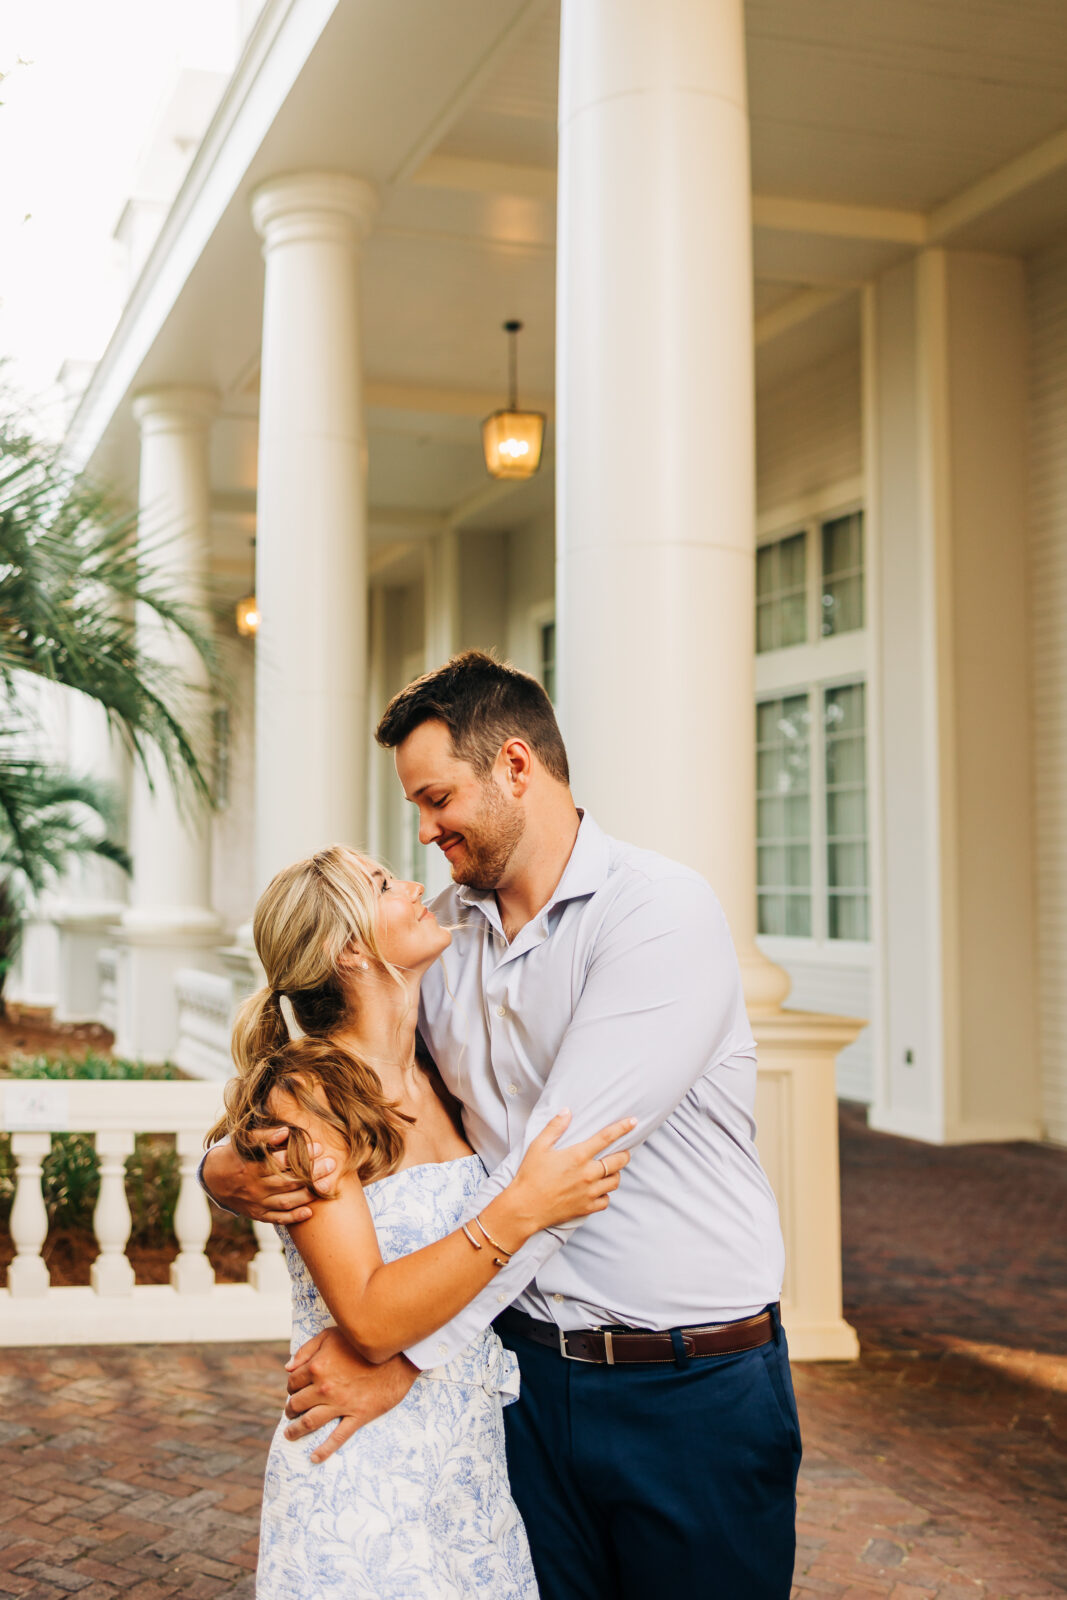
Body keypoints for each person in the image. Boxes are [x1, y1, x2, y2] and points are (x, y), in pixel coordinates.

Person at [203, 651, 802, 1600]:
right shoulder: (440, 941)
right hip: (517, 1386)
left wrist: (400, 1359)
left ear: (515, 767)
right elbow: (345, 1074)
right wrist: (229, 1168)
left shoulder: (656, 915)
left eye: (437, 798)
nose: (425, 830)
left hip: (684, 1388)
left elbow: (550, 1178)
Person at [207, 841, 633, 1599]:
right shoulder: (306, 1099)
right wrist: (520, 1209)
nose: (413, 885)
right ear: (348, 949)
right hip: (363, 1469)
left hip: (467, 1463)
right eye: (381, 884)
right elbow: (368, 1319)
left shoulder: (440, 1071)